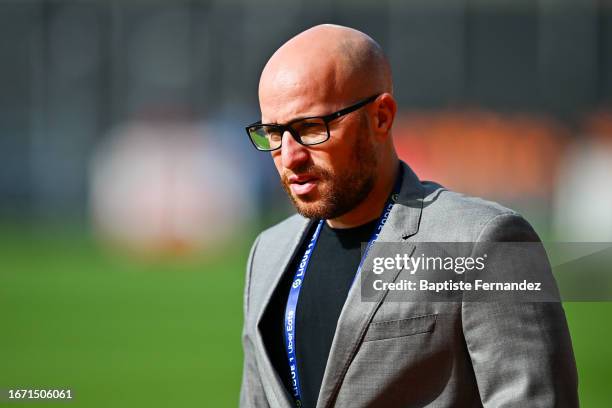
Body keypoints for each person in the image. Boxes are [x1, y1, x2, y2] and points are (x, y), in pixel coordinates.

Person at [240, 24, 578, 408]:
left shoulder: (486, 240)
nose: (290, 156)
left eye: (311, 128)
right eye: (273, 132)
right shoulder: (267, 253)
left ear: (381, 117)